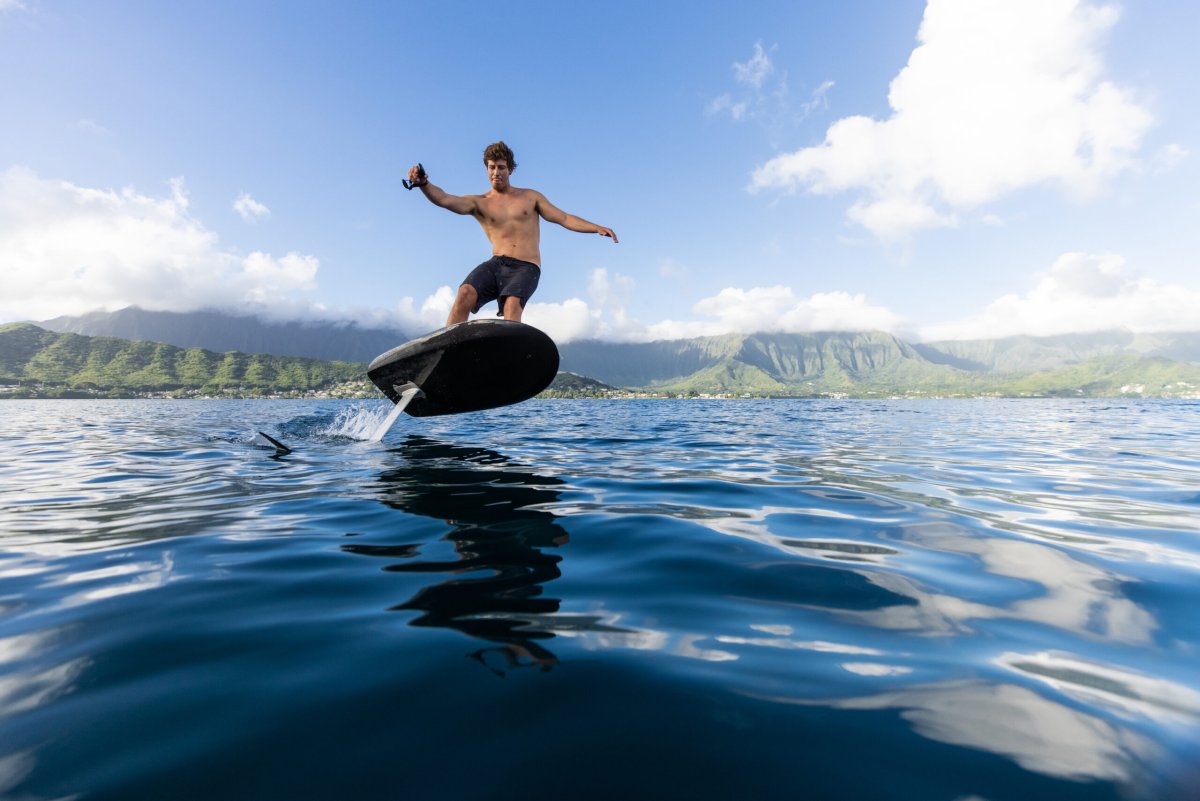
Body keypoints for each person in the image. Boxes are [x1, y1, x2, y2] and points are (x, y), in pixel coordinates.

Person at [407, 141, 617, 325]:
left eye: (501, 167)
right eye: (491, 167)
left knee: (512, 304)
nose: (496, 172)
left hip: (526, 267)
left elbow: (563, 218)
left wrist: (595, 227)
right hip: (497, 263)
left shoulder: (530, 197)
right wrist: (424, 184)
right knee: (464, 293)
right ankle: (448, 351)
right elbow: (444, 199)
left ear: (510, 170)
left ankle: (508, 357)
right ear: (486, 169)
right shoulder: (479, 202)